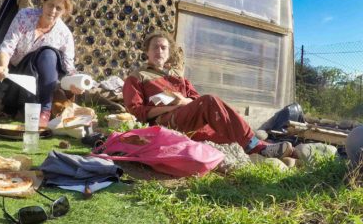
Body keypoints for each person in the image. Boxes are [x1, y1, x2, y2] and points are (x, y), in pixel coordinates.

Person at [123, 32, 293, 159]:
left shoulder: (178, 77)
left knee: (229, 133)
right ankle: (256, 145)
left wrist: (184, 101)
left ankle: (266, 149)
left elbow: (196, 100)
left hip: (189, 120)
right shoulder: (137, 77)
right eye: (155, 47)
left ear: (169, 52)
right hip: (165, 122)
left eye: (163, 48)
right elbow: (136, 111)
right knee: (210, 101)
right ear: (147, 52)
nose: (159, 51)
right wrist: (176, 105)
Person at [0, 0, 83, 128]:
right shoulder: (25, 15)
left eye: (58, 8)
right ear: (44, 2)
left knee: (49, 54)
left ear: (65, 11)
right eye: (50, 5)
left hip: (34, 78)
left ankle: (45, 111)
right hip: (12, 69)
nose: (53, 11)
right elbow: (7, 45)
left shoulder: (65, 34)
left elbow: (68, 66)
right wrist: (2, 66)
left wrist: (76, 83)